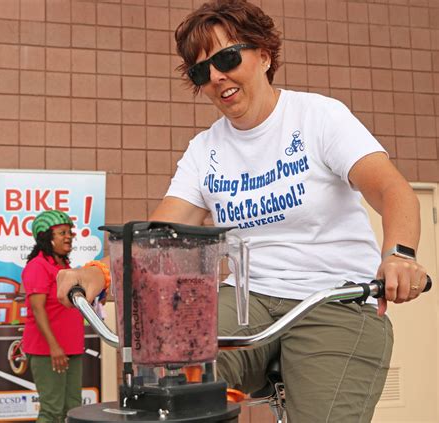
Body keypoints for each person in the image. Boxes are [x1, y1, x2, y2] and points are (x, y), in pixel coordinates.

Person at [57, 1, 428, 421]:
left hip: (333, 298)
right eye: (202, 71)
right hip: (248, 301)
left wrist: (400, 255)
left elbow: (391, 188)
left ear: (265, 55)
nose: (216, 77)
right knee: (168, 375)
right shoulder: (205, 149)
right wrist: (100, 273)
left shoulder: (319, 117)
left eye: (227, 58)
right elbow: (159, 234)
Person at [22, 210, 84, 423]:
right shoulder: (37, 266)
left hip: (72, 348)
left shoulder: (64, 267)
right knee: (52, 411)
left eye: (70, 233)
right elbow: (37, 309)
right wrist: (54, 346)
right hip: (48, 350)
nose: (69, 237)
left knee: (74, 409)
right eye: (62, 233)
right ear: (47, 238)